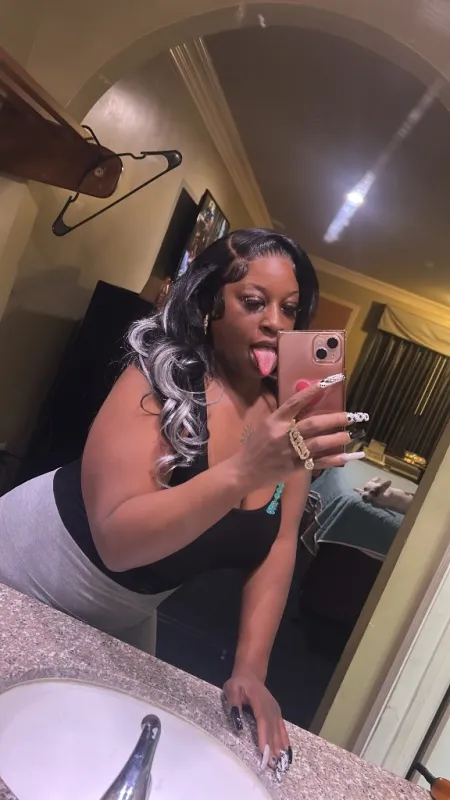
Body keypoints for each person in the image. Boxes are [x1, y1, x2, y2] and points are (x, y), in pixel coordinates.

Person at [0, 228, 367, 778]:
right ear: (209, 305)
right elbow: (118, 542)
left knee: (106, 752)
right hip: (29, 567)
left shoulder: (287, 416)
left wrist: (251, 668)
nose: (276, 322)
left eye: (290, 309)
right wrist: (246, 469)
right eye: (253, 302)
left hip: (129, 608)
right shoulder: (161, 376)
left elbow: (279, 544)